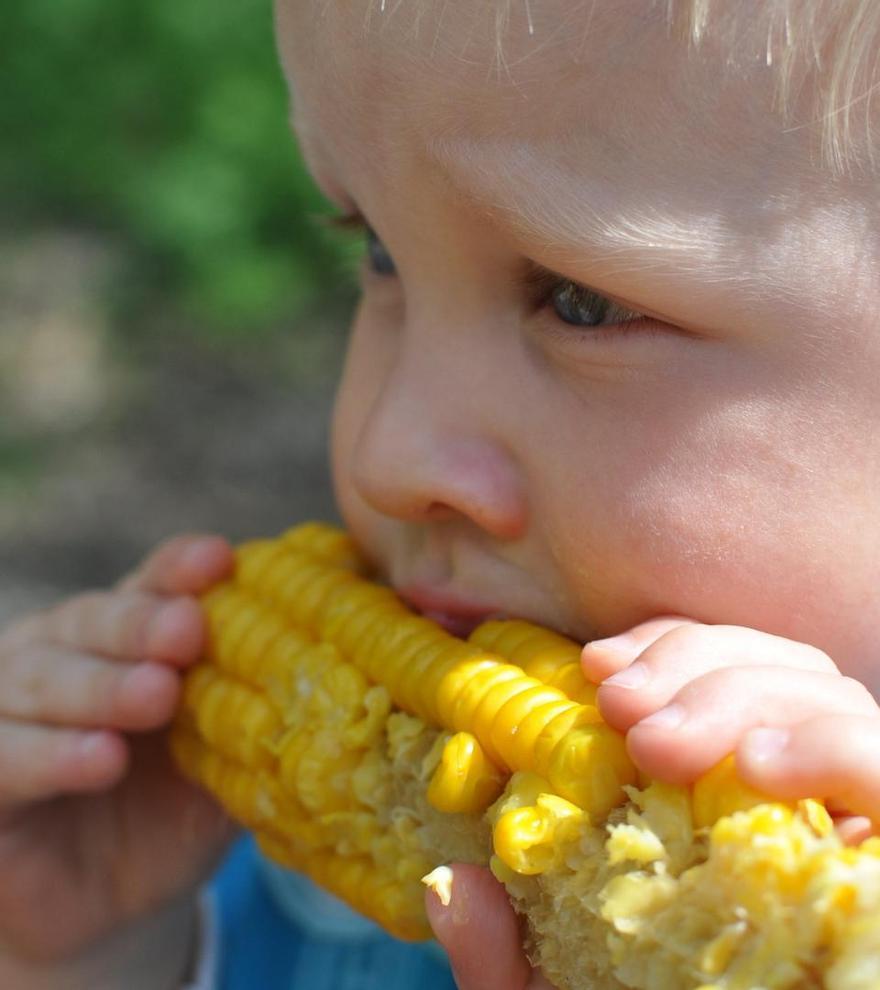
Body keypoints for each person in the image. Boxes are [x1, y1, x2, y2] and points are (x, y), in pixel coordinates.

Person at [2, 1, 880, 986]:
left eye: (581, 303)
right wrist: (90, 953)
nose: (386, 452)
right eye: (376, 250)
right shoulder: (287, 887)